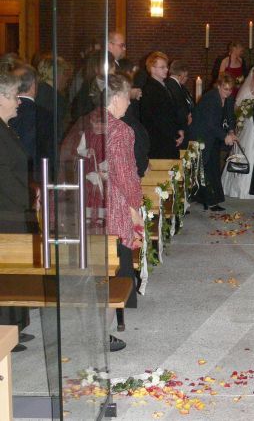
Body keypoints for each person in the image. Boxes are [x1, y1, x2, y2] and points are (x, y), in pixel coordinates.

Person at [61, 74, 142, 350]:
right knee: (115, 274)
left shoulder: (84, 123)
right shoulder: (120, 131)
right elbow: (126, 175)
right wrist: (136, 206)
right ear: (116, 98)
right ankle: (100, 336)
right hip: (113, 210)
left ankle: (91, 330)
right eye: (127, 98)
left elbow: (67, 160)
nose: (129, 105)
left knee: (94, 272)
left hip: (85, 206)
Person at [0, 71, 36, 352]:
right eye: (13, 96)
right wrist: (26, 198)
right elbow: (4, 177)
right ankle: (4, 331)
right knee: (7, 270)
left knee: (16, 270)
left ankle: (14, 327)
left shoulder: (5, 128)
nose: (18, 102)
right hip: (7, 211)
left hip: (17, 208)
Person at [222, 64, 254, 199]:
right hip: (246, 127)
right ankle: (237, 187)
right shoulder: (246, 91)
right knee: (242, 152)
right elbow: (236, 108)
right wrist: (242, 114)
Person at [189, 74, 237, 211]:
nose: (227, 92)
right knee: (205, 167)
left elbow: (229, 116)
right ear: (219, 86)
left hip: (213, 136)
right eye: (225, 89)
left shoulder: (228, 99)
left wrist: (231, 131)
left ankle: (211, 200)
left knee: (213, 167)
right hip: (201, 135)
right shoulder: (210, 98)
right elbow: (209, 123)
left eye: (230, 89)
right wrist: (224, 136)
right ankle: (208, 200)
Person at [9, 64, 54, 183]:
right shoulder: (45, 115)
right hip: (37, 177)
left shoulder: (5, 111)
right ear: (33, 86)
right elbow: (51, 151)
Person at [140, 51, 184, 159]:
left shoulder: (164, 85)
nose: (167, 69)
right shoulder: (150, 89)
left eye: (166, 66)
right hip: (160, 142)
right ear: (152, 69)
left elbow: (172, 111)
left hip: (168, 138)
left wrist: (179, 129)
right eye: (162, 67)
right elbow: (159, 119)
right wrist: (175, 135)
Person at [166, 60, 194, 149]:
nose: (187, 78)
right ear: (182, 73)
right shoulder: (173, 86)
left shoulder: (178, 86)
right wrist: (187, 117)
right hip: (179, 130)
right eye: (186, 75)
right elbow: (178, 108)